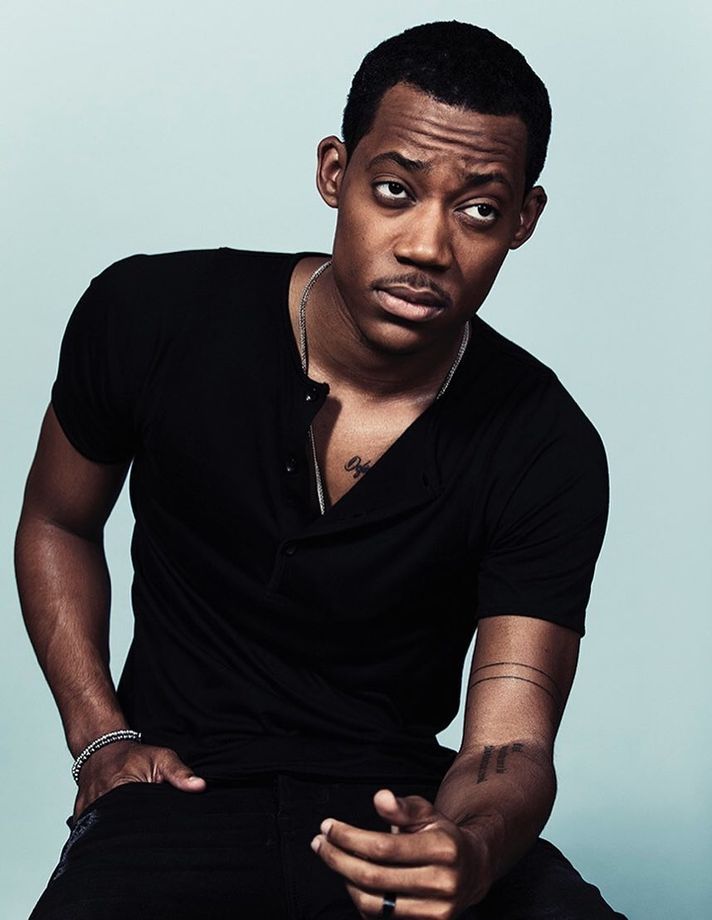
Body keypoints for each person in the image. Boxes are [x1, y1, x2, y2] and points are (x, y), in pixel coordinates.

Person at [16, 19, 626, 920]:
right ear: (335, 173)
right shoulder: (150, 315)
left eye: (479, 210)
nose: (426, 245)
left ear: (524, 220)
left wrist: (470, 845)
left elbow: (509, 749)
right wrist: (100, 735)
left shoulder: (546, 444)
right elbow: (57, 521)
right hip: (178, 790)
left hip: (400, 807)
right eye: (394, 190)